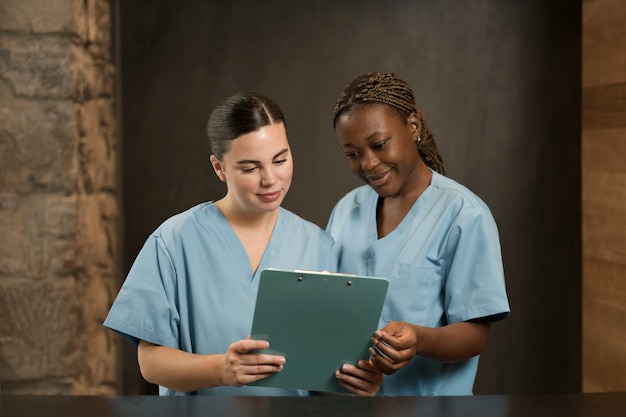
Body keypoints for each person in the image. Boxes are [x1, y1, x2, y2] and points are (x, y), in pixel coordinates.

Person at [104, 91, 382, 396]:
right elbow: (151, 363)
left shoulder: (319, 245)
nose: (270, 179)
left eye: (280, 160)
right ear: (219, 168)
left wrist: (355, 383)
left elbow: (324, 367)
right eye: (250, 168)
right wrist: (221, 369)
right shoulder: (173, 241)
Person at [326, 72, 510, 396]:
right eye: (353, 154)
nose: (368, 163)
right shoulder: (346, 211)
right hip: (353, 405)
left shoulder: (464, 216)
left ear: (413, 127)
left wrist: (418, 339)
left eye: (379, 144)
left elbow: (475, 334)